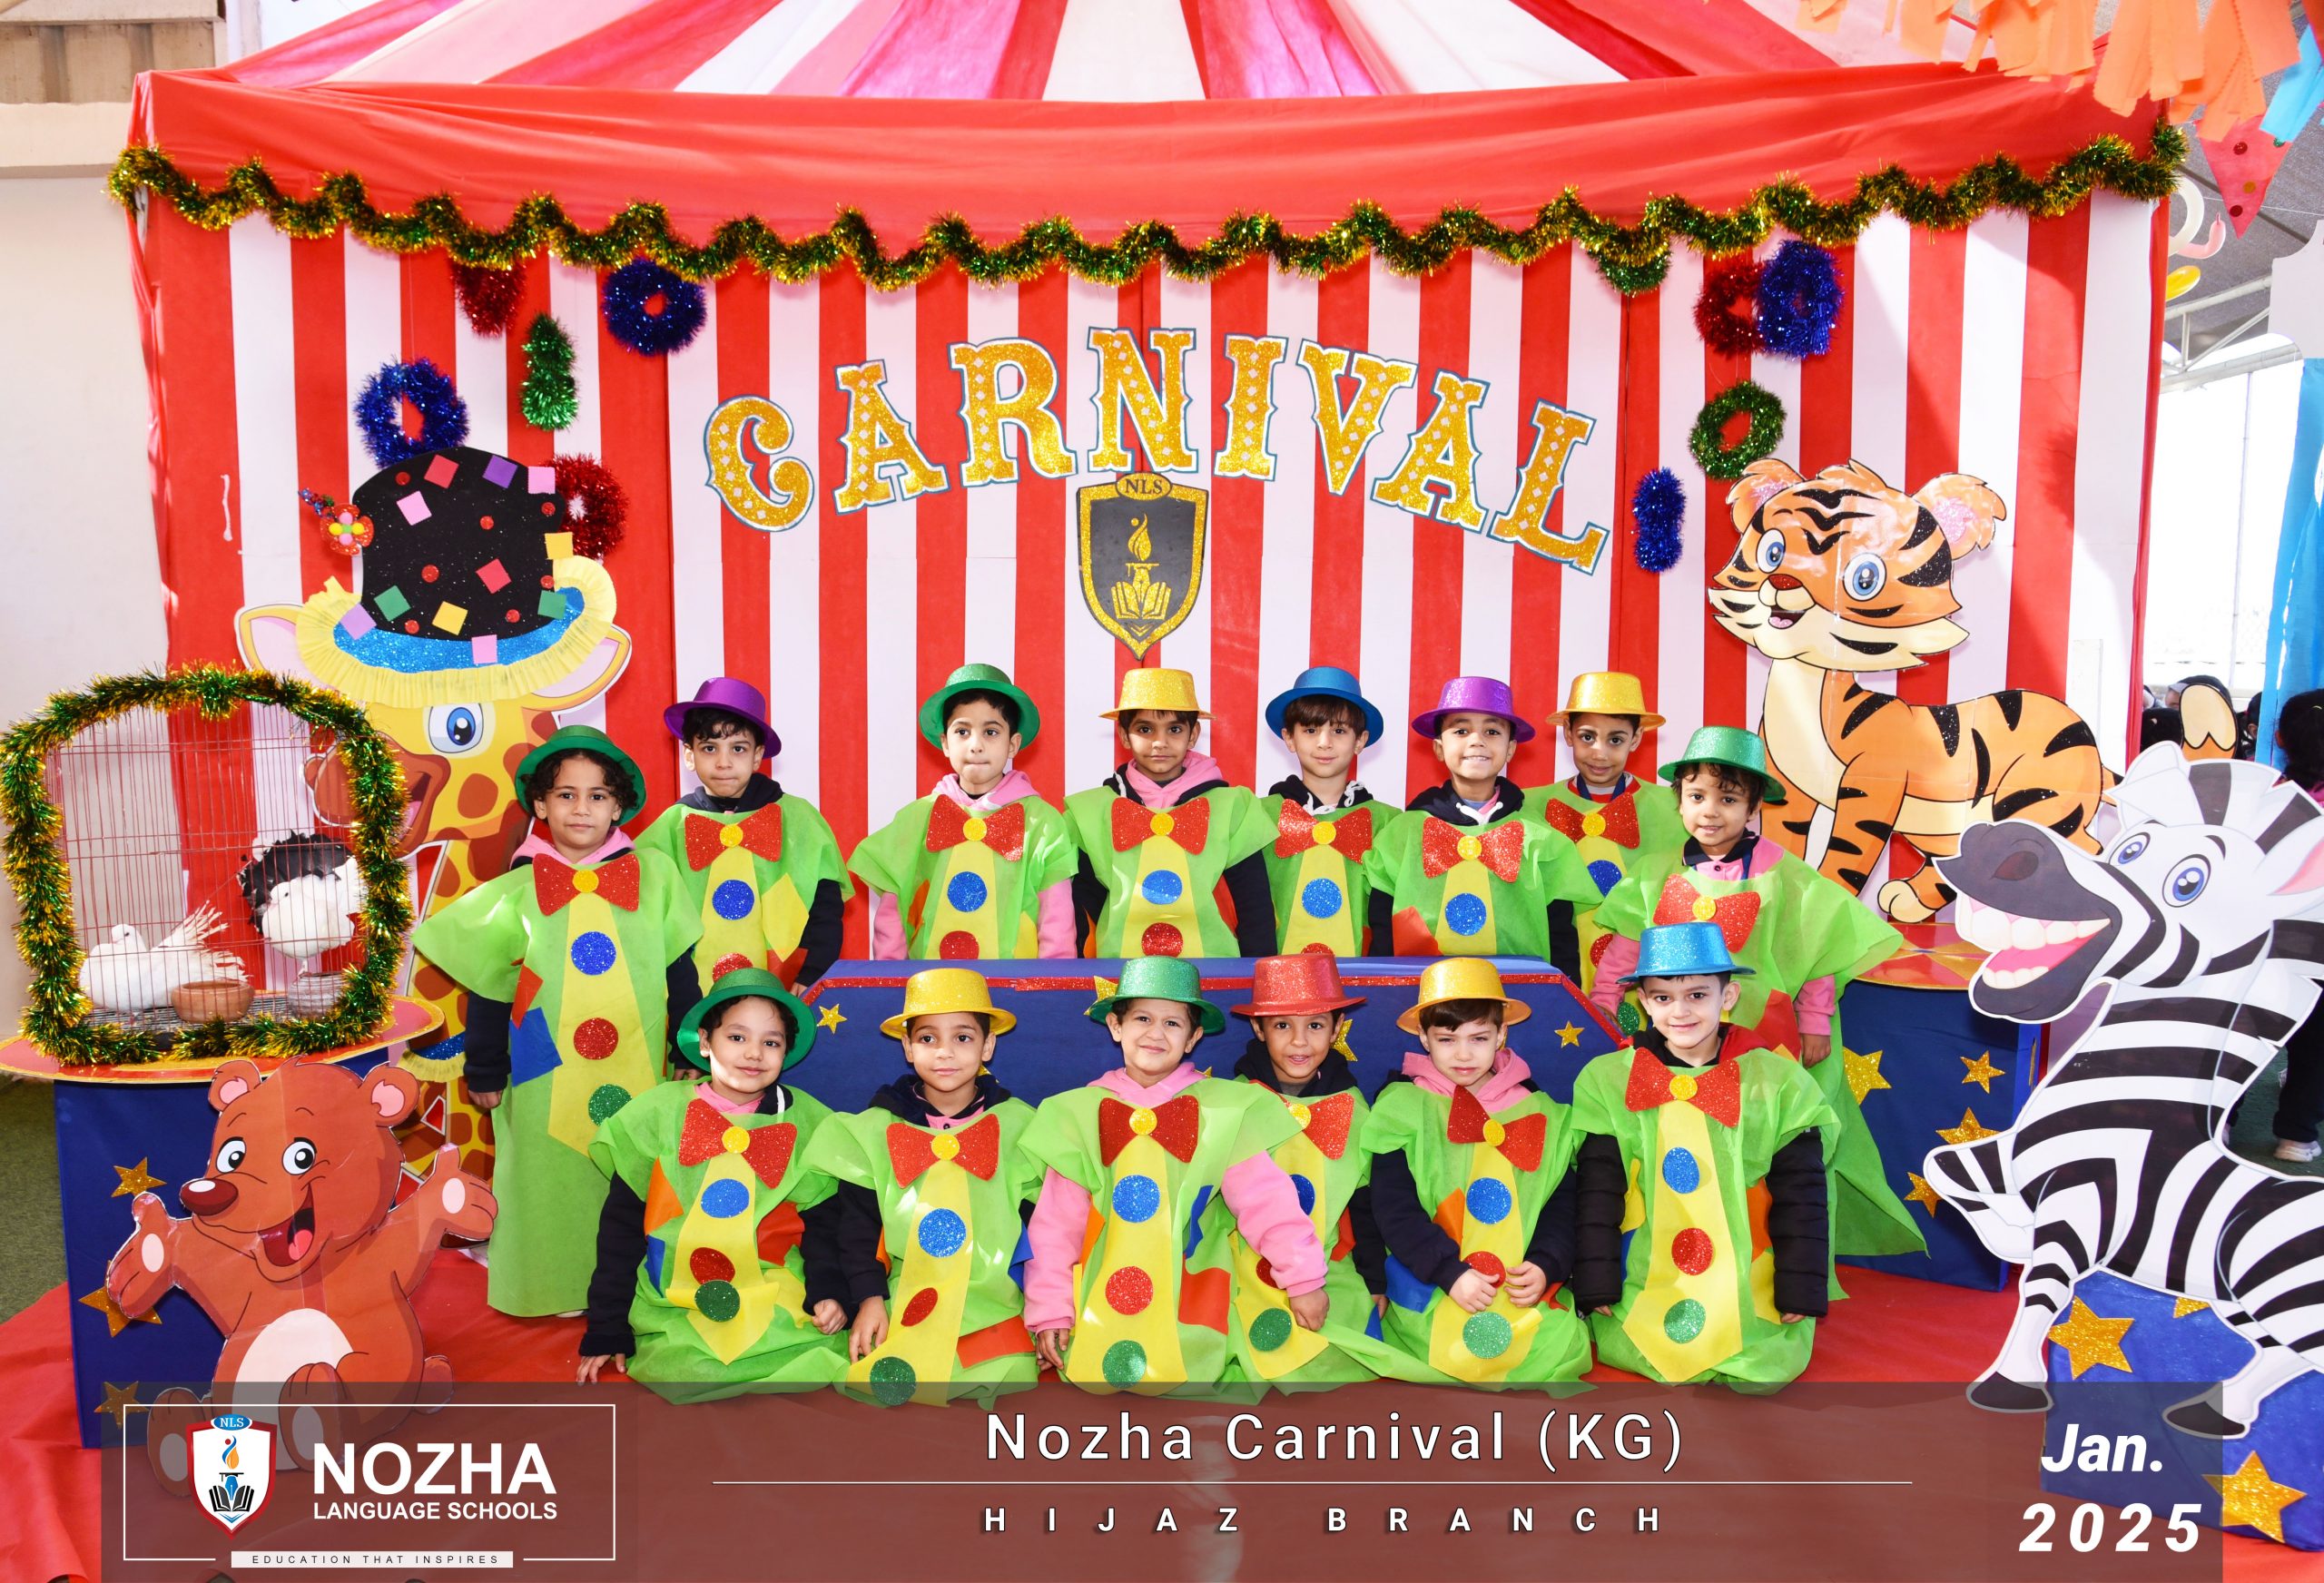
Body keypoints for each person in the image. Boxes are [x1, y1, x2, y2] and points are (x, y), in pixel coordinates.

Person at [1589, 726, 1919, 1264]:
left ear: (1754, 807)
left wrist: (1814, 1020)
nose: (1710, 811)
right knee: (1684, 1129)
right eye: (1697, 797)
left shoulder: (1785, 875)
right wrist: (1603, 1007)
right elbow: (1625, 952)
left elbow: (1820, 946)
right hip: (1680, 1034)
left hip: (1763, 1033)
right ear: (1679, 801)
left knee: (1759, 1133)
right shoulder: (1653, 874)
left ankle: (1759, 1252)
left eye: (1728, 799)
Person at [411, 725, 701, 1318]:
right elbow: (491, 988)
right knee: (549, 1178)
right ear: (541, 805)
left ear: (618, 806)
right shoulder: (516, 891)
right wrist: (486, 1068)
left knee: (632, 1167)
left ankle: (635, 1288)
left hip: (638, 1063)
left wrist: (692, 1050)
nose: (581, 808)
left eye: (597, 795)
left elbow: (681, 974)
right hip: (543, 1069)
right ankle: (557, 1286)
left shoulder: (656, 878)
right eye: (566, 794)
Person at [1020, 957, 1328, 1395]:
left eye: (1172, 1023)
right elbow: (1056, 1225)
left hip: (1192, 1296)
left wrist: (1302, 1278)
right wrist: (1050, 1311)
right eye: (1142, 1019)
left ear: (1193, 1038)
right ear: (1115, 1026)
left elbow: (1267, 1201)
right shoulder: (1077, 1113)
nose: (1156, 1033)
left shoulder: (1222, 1110)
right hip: (1101, 1303)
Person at [1570, 923, 1837, 1386]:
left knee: (1756, 1360)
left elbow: (1802, 1192)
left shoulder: (1777, 1081)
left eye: (1697, 995)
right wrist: (1596, 1281)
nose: (1680, 1011)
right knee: (1648, 1344)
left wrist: (1800, 1287)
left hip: (1742, 1278)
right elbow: (1598, 1190)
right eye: (1663, 997)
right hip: (1651, 1275)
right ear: (1642, 1001)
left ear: (1727, 996)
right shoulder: (1607, 1079)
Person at [576, 969, 848, 1397]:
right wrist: (607, 1326)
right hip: (679, 1293)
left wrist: (830, 1293)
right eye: (737, 1037)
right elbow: (620, 1228)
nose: (754, 1053)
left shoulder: (811, 1122)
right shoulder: (657, 1114)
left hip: (770, 1283)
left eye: (771, 1042)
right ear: (705, 1042)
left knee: (812, 1351)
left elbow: (825, 1224)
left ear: (786, 1050)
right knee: (690, 1368)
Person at [803, 968, 1043, 1404]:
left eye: (963, 1037)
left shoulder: (1020, 1126)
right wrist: (869, 1299)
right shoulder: (873, 1130)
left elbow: (1043, 1230)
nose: (945, 1052)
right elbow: (857, 1228)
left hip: (991, 1307)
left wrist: (1045, 1312)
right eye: (928, 1038)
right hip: (904, 1299)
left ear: (988, 1045)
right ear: (907, 1047)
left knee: (1009, 1380)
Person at [1361, 959, 1589, 1385]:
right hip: (1436, 1288)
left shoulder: (1542, 1112)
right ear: (1424, 1038)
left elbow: (1562, 1202)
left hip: (1521, 1296)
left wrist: (1546, 1264)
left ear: (1501, 1035)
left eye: (1479, 1038)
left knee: (1549, 1355)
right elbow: (1393, 1209)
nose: (1463, 1054)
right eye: (1447, 1039)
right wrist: (1449, 1273)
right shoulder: (1401, 1107)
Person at [1216, 954, 1423, 1390]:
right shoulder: (1234, 1103)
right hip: (1243, 1267)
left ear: (1337, 1028)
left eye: (1314, 1025)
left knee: (1343, 1361)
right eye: (1282, 1025)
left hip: (1329, 1267)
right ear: (1258, 1029)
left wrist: (1373, 1279)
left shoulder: (1354, 1108)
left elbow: (1366, 1203)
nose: (1299, 1042)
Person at [1365, 675, 1593, 977]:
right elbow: (1383, 930)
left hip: (1521, 995)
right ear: (1438, 748)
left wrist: (1563, 998)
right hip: (1422, 994)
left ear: (1511, 749)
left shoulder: (1543, 838)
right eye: (1461, 731)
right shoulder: (1402, 833)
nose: (1476, 740)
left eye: (1492, 731)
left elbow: (1562, 937)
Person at [851, 664, 1078, 959]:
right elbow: (892, 915)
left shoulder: (1043, 823)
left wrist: (1052, 982)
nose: (976, 745)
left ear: (1013, 744)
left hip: (1014, 984)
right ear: (945, 743)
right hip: (930, 981)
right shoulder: (915, 818)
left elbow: (1057, 922)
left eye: (991, 732)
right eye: (962, 731)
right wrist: (890, 976)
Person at [635, 678, 851, 989]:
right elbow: (649, 919)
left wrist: (812, 973)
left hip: (783, 988)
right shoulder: (671, 826)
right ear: (689, 755)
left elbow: (826, 908)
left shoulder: (799, 819)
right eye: (710, 748)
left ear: (757, 755)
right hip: (694, 994)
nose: (723, 763)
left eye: (738, 749)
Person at [1065, 668, 1276, 959]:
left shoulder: (1233, 807)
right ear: (1124, 735)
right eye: (1145, 729)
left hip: (1214, 971)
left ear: (1193, 734)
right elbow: (1083, 908)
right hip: (1118, 973)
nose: (1159, 742)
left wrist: (1257, 975)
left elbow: (1254, 906)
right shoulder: (1092, 811)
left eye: (1174, 729)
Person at [1522, 673, 1687, 995]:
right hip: (1558, 963)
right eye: (1587, 737)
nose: (1600, 753)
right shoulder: (1530, 806)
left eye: (1615, 740)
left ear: (1636, 739)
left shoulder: (1675, 809)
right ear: (1567, 733)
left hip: (1646, 974)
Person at [1257, 665, 1396, 955]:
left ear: (1360, 740)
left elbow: (1392, 918)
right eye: (1311, 730)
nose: (1324, 742)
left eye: (1339, 730)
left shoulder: (1389, 822)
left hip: (1362, 977)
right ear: (1289, 738)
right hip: (1275, 973)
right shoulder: (1259, 816)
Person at [2272, 689, 2324, 1163]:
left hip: (2265, 938)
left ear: (2280, 737)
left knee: (2245, 1032)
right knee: (2316, 1043)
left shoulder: (2268, 795)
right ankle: (2297, 1136)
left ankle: (2223, 1122)